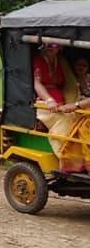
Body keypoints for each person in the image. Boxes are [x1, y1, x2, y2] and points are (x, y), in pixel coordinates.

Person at [33, 43, 81, 171]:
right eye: (47, 44)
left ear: (60, 47)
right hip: (44, 104)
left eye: (53, 44)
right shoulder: (38, 60)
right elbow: (36, 83)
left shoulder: (60, 61)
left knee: (78, 118)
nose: (50, 47)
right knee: (66, 120)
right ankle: (66, 158)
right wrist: (49, 100)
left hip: (61, 102)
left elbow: (70, 83)